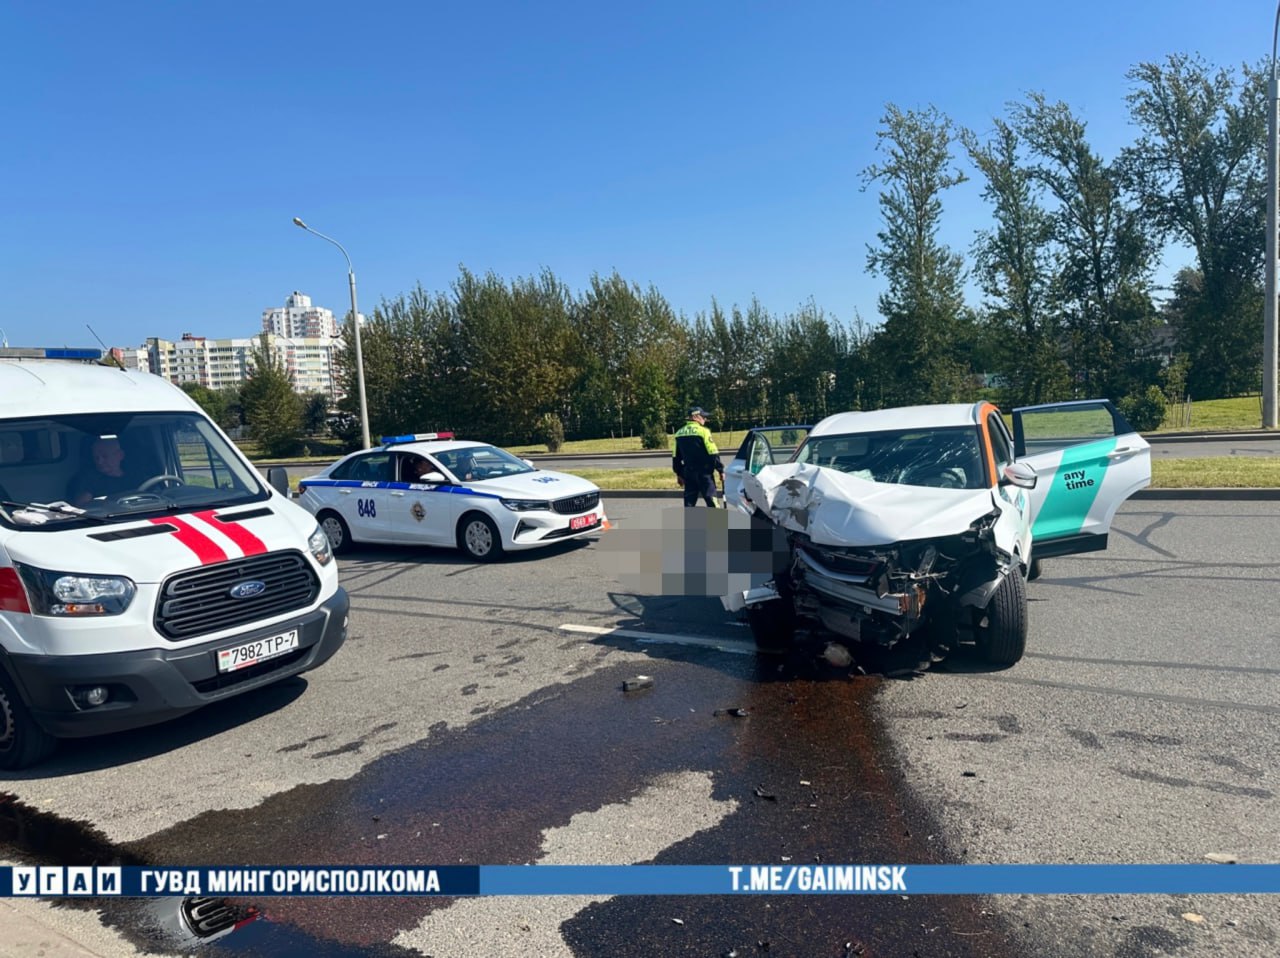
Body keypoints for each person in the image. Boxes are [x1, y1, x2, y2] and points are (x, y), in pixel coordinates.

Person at [672, 406, 724, 507]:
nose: (705, 419)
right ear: (695, 417)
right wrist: (720, 470)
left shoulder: (678, 433)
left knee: (689, 503)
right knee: (711, 500)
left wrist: (679, 473)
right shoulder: (703, 431)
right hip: (704, 473)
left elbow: (676, 456)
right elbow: (713, 452)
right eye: (703, 416)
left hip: (688, 473)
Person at [68, 436, 138, 506]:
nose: (99, 462)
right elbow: (80, 506)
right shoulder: (90, 480)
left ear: (120, 455)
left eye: (105, 456)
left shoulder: (135, 476)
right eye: (96, 457)